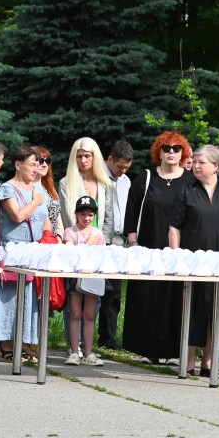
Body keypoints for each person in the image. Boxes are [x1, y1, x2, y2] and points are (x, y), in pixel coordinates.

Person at [169, 145, 219, 377]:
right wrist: (177, 257)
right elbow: (174, 226)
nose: (195, 165)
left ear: (216, 166)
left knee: (216, 310)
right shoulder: (186, 190)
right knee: (193, 309)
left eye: (201, 162)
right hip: (192, 263)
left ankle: (209, 361)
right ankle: (188, 360)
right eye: (194, 161)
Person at [122, 132, 195, 364]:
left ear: (183, 153)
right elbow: (132, 211)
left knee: (176, 298)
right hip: (148, 248)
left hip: (179, 251)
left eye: (176, 148)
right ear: (159, 152)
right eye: (166, 148)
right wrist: (133, 242)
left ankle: (175, 351)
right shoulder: (145, 178)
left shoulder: (191, 181)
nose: (171, 152)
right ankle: (149, 350)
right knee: (149, 297)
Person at [0, 146, 50, 361]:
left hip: (33, 252)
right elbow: (16, 215)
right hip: (12, 252)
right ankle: (7, 346)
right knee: (9, 298)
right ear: (18, 164)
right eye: (31, 164)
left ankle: (24, 343)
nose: (35, 169)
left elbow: (44, 219)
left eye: (37, 165)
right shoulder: (8, 188)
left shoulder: (39, 190)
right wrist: (35, 201)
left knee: (28, 299)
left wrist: (49, 239)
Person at [58, 138, 114, 349]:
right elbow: (67, 218)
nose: (83, 160)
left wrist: (100, 243)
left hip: (98, 249)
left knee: (94, 298)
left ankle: (87, 347)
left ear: (95, 157)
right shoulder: (66, 183)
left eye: (87, 156)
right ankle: (73, 346)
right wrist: (80, 245)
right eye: (79, 156)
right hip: (75, 246)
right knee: (73, 300)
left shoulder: (105, 184)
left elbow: (109, 219)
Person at [64, 196, 106, 367]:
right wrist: (88, 245)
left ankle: (88, 353)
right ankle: (74, 351)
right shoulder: (70, 232)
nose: (87, 218)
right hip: (75, 278)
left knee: (89, 315)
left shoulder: (98, 233)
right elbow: (70, 254)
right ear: (76, 214)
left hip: (93, 277)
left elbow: (102, 256)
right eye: (83, 214)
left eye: (90, 215)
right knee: (75, 314)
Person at [98, 140, 133, 349]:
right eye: (120, 166)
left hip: (119, 242)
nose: (123, 171)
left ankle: (108, 337)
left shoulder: (126, 181)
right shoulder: (98, 176)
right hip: (100, 240)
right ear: (110, 159)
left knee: (114, 292)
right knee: (92, 291)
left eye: (127, 167)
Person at [33, 146, 63, 240]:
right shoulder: (27, 188)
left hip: (54, 241)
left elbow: (58, 220)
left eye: (47, 161)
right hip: (37, 240)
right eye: (41, 161)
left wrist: (59, 238)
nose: (45, 165)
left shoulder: (49, 188)